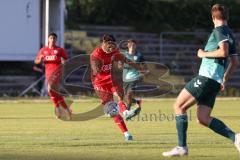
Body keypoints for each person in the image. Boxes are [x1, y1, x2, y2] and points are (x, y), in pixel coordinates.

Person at [162, 4, 239, 157]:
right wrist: (224, 78)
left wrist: (203, 54)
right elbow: (235, 62)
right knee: (203, 118)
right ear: (227, 17)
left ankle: (181, 147)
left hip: (206, 77)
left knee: (178, 106)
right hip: (215, 81)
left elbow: (223, 52)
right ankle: (235, 137)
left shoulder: (219, 30)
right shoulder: (230, 34)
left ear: (213, 18)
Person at [90, 34, 143, 141]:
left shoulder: (115, 51)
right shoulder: (96, 54)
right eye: (108, 46)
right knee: (113, 111)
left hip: (111, 80)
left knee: (119, 95)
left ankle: (126, 112)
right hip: (99, 84)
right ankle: (126, 133)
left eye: (112, 45)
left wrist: (138, 67)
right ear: (103, 43)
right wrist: (97, 67)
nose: (111, 48)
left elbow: (125, 60)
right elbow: (95, 70)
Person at [34, 33, 72, 119]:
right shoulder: (43, 50)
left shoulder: (60, 50)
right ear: (48, 39)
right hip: (48, 73)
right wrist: (39, 59)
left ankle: (58, 109)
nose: (52, 40)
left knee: (50, 88)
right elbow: (36, 61)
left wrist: (64, 61)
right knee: (54, 92)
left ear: (56, 40)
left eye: (54, 38)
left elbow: (67, 60)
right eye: (51, 38)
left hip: (57, 72)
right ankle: (66, 110)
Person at [122, 39, 145, 110]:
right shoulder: (124, 55)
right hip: (125, 78)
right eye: (130, 44)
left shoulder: (139, 55)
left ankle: (127, 111)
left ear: (136, 46)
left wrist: (143, 73)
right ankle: (137, 102)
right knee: (125, 97)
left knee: (129, 95)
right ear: (128, 45)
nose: (132, 45)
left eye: (134, 44)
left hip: (135, 78)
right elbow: (120, 66)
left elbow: (144, 66)